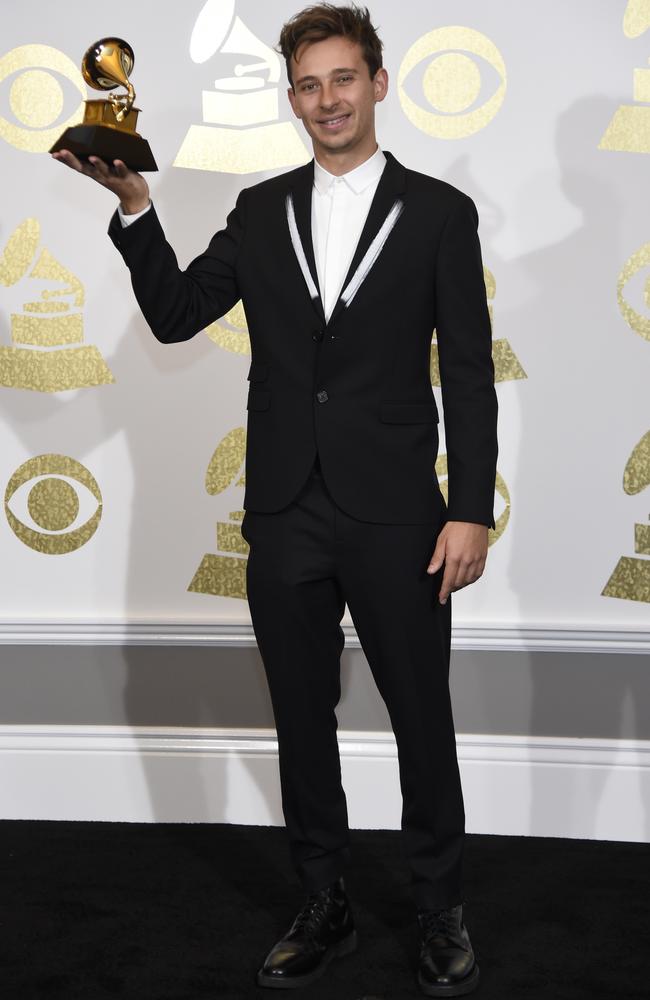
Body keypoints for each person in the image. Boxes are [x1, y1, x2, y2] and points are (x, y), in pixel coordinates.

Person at [52, 4, 497, 995]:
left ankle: (438, 910)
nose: (325, 99)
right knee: (302, 717)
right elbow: (174, 317)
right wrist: (133, 207)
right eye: (307, 83)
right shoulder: (259, 211)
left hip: (399, 515)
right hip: (286, 509)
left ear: (376, 84)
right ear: (290, 97)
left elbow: (466, 371)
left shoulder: (438, 213)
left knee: (420, 715)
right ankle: (323, 901)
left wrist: (468, 506)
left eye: (342, 79)